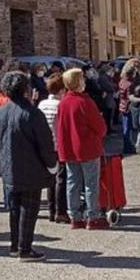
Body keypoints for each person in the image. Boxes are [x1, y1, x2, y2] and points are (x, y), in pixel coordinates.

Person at [0, 71, 58, 262]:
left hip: (9, 167)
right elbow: (45, 144)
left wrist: (2, 163)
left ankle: (15, 245)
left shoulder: (0, 113)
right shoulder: (33, 114)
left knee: (14, 209)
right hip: (31, 169)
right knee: (28, 210)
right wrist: (52, 164)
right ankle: (25, 249)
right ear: (26, 89)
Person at [55, 68, 108, 229]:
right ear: (78, 82)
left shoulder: (63, 103)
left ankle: (75, 216)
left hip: (70, 148)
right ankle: (93, 216)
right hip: (87, 147)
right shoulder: (85, 102)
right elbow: (100, 128)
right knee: (91, 184)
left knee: (73, 183)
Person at [38, 73, 69, 223]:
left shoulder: (42, 104)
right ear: (61, 90)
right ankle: (60, 211)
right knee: (61, 180)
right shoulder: (60, 105)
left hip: (46, 145)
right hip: (59, 145)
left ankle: (51, 210)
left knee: (51, 180)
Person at [118, 64, 140, 155]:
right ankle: (128, 147)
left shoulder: (122, 81)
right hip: (128, 107)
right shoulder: (130, 83)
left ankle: (127, 146)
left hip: (122, 105)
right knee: (128, 128)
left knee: (126, 128)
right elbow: (130, 97)